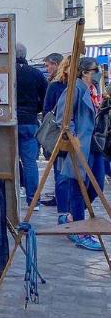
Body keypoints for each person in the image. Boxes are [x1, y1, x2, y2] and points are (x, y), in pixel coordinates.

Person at [54, 57, 104, 251]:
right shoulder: (74, 89)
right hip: (81, 144)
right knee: (78, 186)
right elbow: (63, 117)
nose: (97, 73)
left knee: (97, 184)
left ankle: (74, 218)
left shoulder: (94, 90)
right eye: (94, 70)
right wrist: (73, 137)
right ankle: (80, 229)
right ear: (84, 72)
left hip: (95, 144)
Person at [15, 43, 47, 210]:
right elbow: (46, 97)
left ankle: (17, 190)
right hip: (30, 121)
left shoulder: (7, 73)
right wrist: (36, 109)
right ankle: (33, 200)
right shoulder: (36, 73)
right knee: (30, 162)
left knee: (9, 160)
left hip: (9, 122)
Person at [41, 54, 68, 209]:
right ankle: (62, 201)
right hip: (61, 131)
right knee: (60, 168)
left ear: (57, 64)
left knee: (60, 169)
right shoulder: (56, 84)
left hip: (60, 131)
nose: (47, 68)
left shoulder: (56, 85)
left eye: (48, 65)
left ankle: (62, 201)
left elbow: (46, 110)